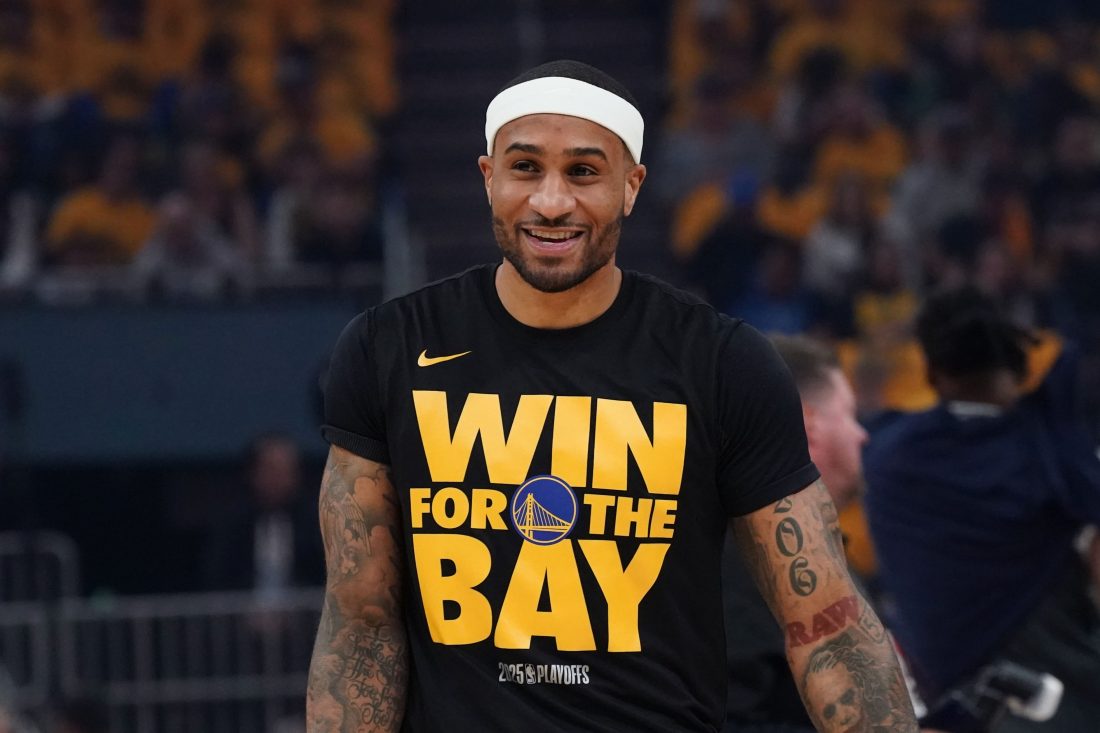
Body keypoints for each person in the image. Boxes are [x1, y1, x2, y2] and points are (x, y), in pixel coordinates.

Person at [307, 60, 917, 732]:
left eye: (583, 172)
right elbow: (361, 626)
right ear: (489, 179)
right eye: (525, 168)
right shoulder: (389, 347)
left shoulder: (722, 362)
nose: (551, 201)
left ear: (632, 187)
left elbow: (824, 622)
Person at [864, 288, 1100, 732]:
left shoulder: (888, 454)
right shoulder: (1053, 447)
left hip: (949, 700)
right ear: (1016, 363)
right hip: (1059, 680)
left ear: (931, 372)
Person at [724, 335, 869, 732]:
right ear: (808, 425)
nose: (862, 435)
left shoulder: (798, 545)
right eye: (850, 413)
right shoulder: (747, 555)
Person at [203, 432, 324, 595]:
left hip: (308, 617)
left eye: (287, 471)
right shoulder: (232, 524)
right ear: (253, 472)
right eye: (272, 470)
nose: (279, 479)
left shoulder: (316, 524)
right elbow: (217, 577)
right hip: (238, 616)